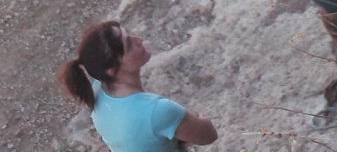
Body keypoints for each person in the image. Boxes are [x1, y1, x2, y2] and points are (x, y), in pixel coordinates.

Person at [57, 21, 218, 151]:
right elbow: (209, 134)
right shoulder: (157, 111)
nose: (139, 40)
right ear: (112, 70)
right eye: (129, 44)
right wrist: (188, 121)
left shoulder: (96, 91)